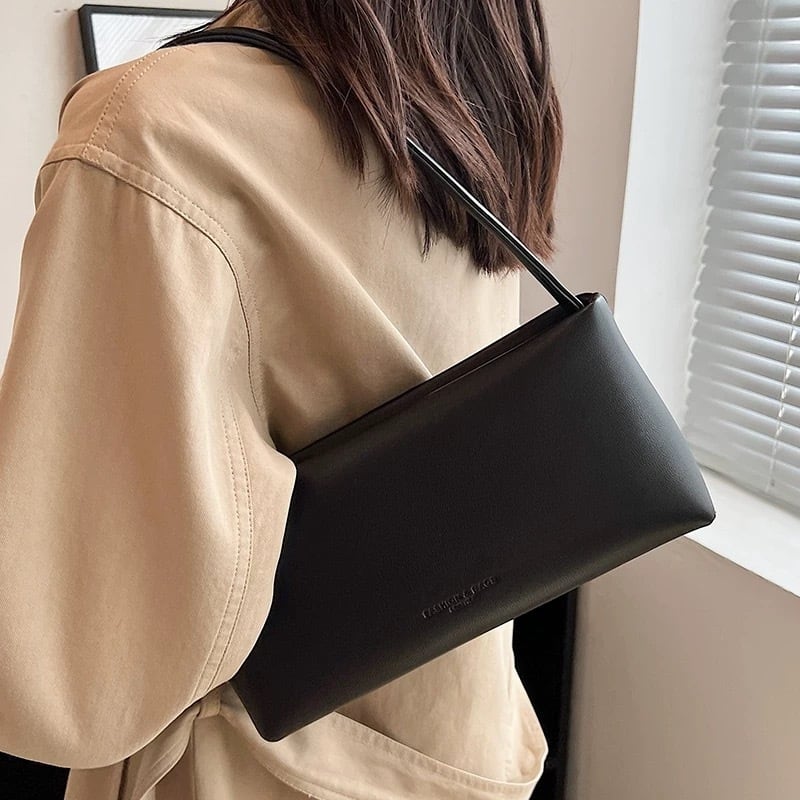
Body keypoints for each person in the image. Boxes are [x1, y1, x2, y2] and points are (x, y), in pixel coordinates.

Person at [0, 1, 562, 797]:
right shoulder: (479, 85)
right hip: (452, 748)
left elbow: (69, 663)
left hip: (257, 766)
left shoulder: (155, 131)